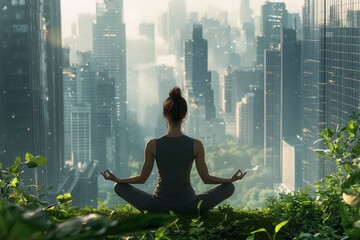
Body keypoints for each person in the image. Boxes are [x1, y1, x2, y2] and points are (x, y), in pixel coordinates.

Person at [101, 87, 247, 214]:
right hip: (190, 206)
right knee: (229, 188)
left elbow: (142, 178)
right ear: (184, 116)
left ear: (165, 115)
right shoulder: (196, 145)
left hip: (158, 206)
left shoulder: (152, 145)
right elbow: (206, 178)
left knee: (118, 187)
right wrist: (229, 180)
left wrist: (118, 180)